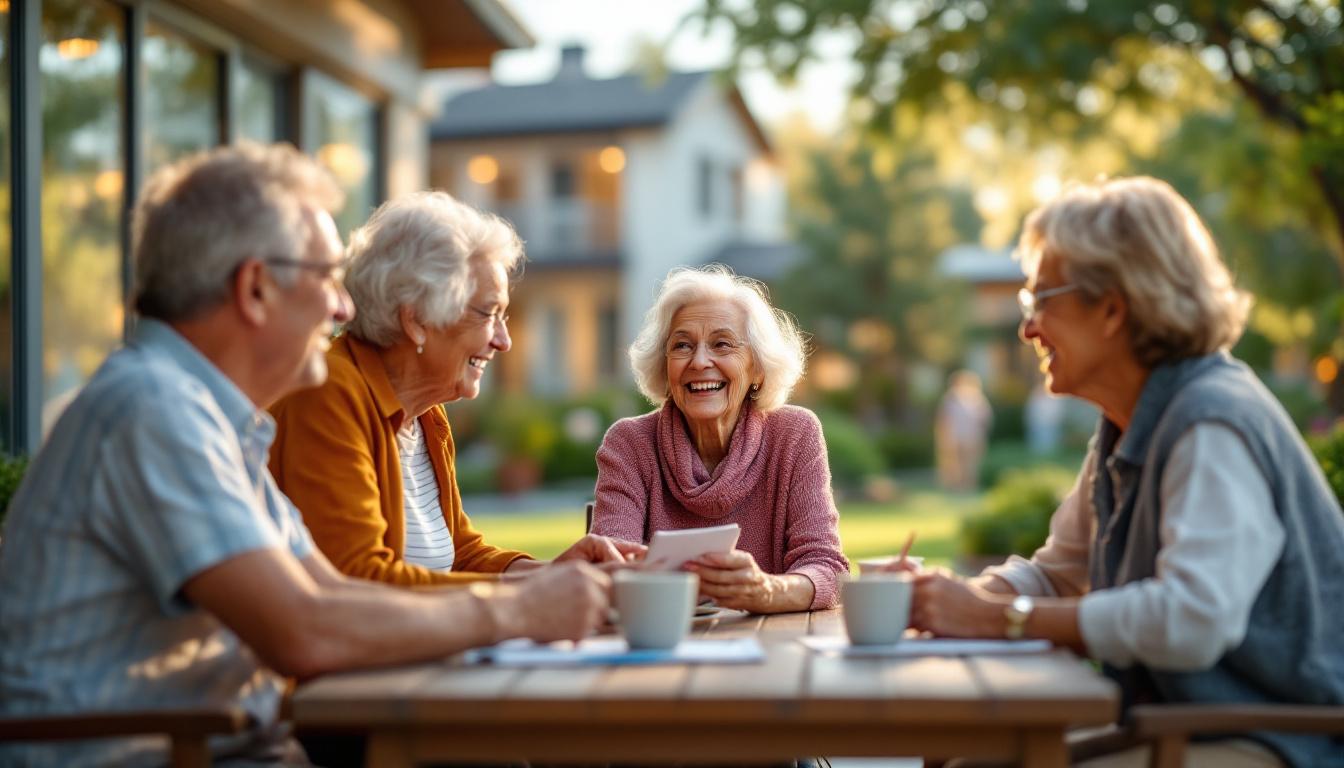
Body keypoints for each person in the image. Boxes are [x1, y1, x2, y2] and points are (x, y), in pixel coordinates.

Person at [0, 144, 610, 766]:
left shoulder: (213, 421)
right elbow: (304, 630)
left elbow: (329, 593)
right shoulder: (152, 408)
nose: (343, 306)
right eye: (324, 276)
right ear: (256, 288)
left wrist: (536, 594)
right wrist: (515, 611)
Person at [900, 178, 1344, 767]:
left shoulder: (1211, 422)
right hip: (1181, 723)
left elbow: (1191, 620)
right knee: (961, 755)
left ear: (1112, 307)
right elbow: (1059, 572)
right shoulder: (1129, 422)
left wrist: (997, 617)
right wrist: (951, 600)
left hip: (1278, 738)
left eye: (1040, 302)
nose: (1027, 329)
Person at [269, 191, 641, 586]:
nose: (503, 341)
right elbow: (360, 577)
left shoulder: (425, 412)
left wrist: (558, 572)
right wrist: (532, 596)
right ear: (415, 320)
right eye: (487, 314)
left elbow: (461, 553)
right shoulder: (330, 391)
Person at [591, 265, 849, 614]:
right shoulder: (630, 444)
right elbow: (609, 570)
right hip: (663, 646)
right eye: (682, 345)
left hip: (771, 648)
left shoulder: (795, 434)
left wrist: (768, 590)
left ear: (756, 367)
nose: (699, 361)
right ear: (664, 367)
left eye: (722, 344)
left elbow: (828, 569)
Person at [934, 369, 992, 491]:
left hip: (972, 436)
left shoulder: (977, 398)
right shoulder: (950, 399)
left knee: (971, 462)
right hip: (955, 436)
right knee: (955, 463)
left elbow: (985, 418)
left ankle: (970, 484)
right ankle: (956, 485)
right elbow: (944, 419)